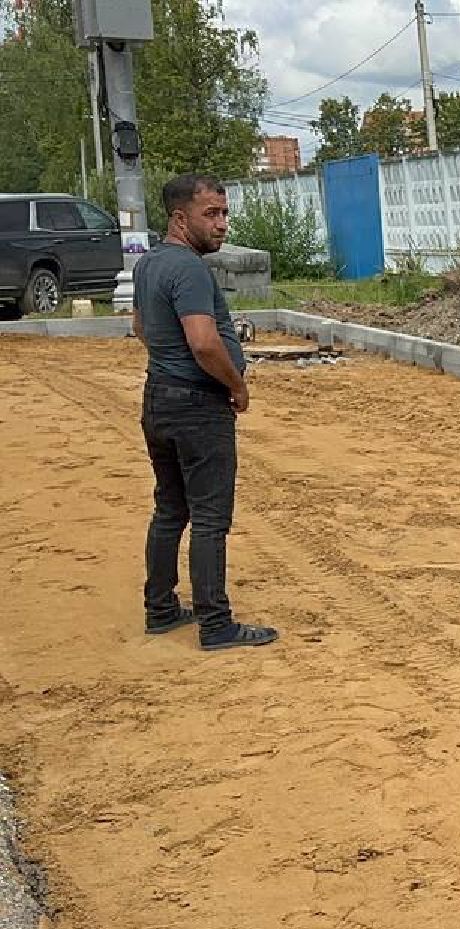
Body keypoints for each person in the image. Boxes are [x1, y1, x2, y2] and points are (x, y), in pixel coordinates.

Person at [133, 174, 278, 651]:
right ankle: (216, 625)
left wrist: (169, 365)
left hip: (159, 399)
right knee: (211, 518)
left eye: (224, 212)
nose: (222, 223)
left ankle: (161, 609)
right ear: (180, 218)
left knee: (170, 508)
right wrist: (235, 385)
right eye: (211, 214)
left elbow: (140, 325)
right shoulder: (190, 269)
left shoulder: (149, 263)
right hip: (197, 406)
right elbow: (202, 340)